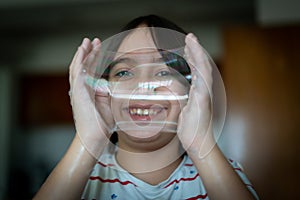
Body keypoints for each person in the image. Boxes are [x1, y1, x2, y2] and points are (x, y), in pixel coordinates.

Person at [34, 15, 258, 200]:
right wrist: (88, 141)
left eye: (164, 72)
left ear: (190, 93)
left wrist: (201, 143)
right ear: (104, 93)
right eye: (124, 72)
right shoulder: (76, 182)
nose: (142, 87)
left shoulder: (221, 174)